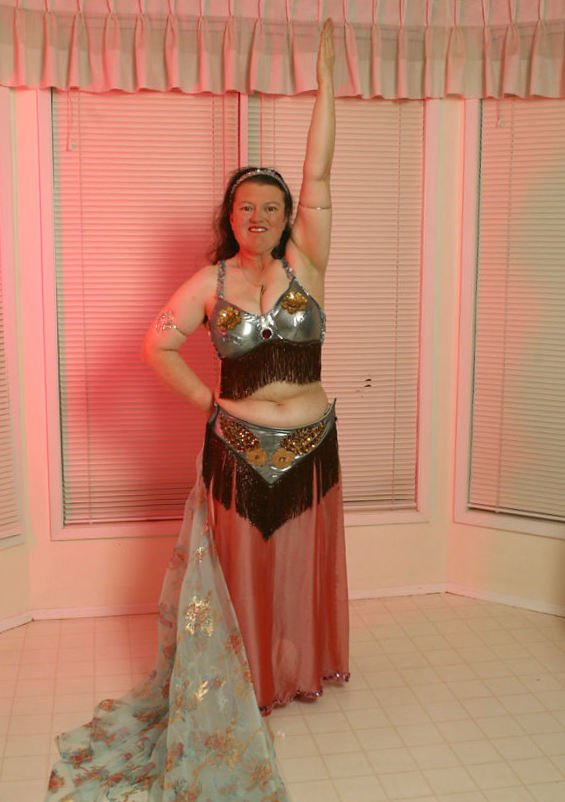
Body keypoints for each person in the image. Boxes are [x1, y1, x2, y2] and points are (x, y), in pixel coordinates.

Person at [44, 19, 347, 802]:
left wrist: (325, 85)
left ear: (289, 216)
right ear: (230, 215)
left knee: (299, 563)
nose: (259, 217)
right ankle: (245, 680)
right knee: (242, 570)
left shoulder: (307, 264)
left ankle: (298, 670)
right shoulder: (208, 285)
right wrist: (204, 400)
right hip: (238, 447)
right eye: (246, 208)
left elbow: (319, 172)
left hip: (312, 443)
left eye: (272, 207)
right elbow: (157, 345)